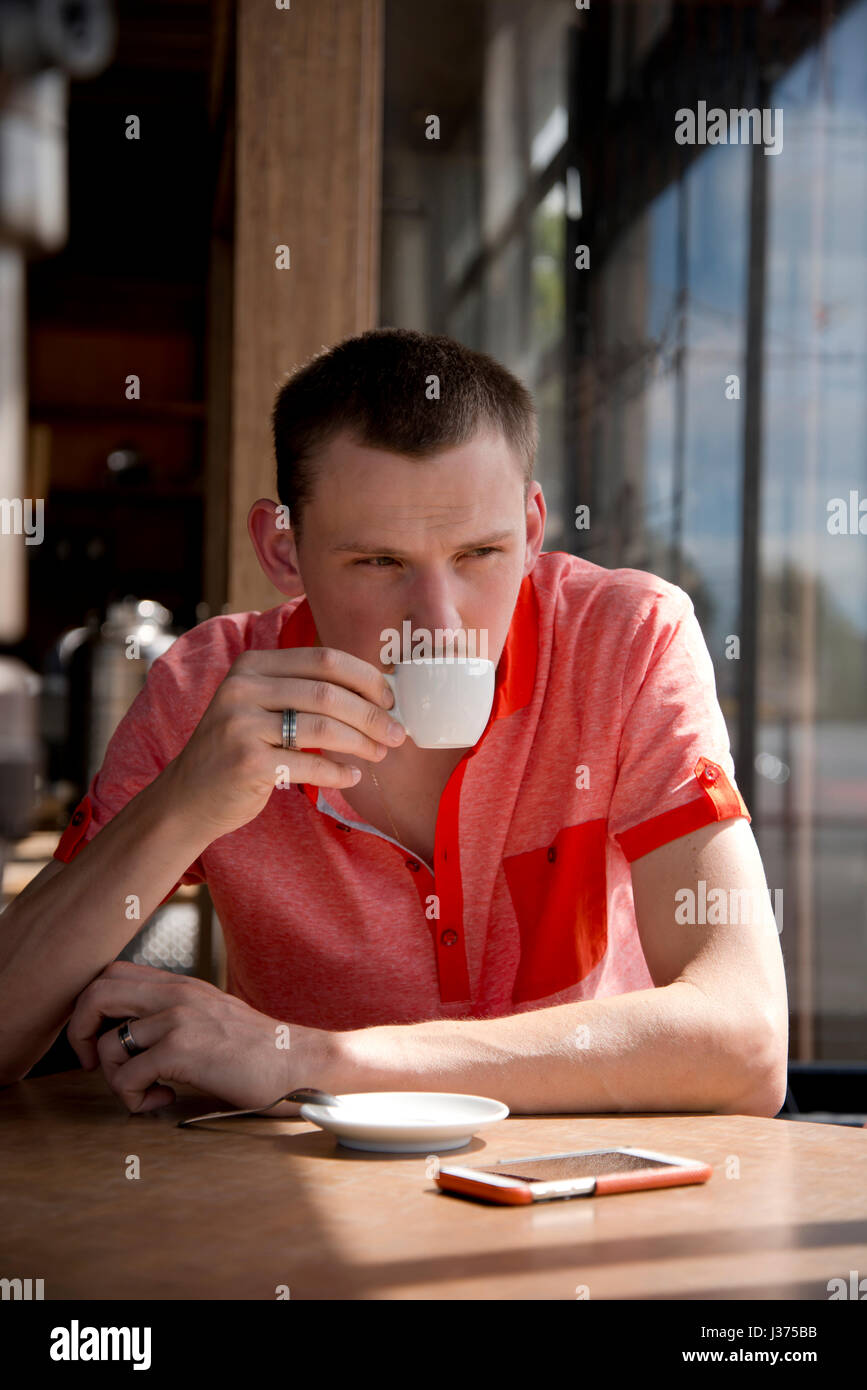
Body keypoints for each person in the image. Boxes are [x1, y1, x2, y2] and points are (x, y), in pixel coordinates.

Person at [0, 328, 788, 1117]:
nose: (437, 622)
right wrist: (183, 803)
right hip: (301, 1200)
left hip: (574, 1198)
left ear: (534, 526)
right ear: (282, 551)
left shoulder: (625, 639)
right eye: (379, 562)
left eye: (480, 553)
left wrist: (302, 1059)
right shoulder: (209, 688)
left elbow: (744, 1042)